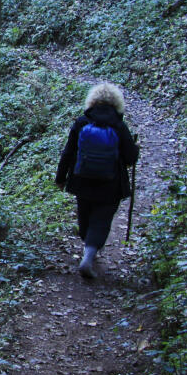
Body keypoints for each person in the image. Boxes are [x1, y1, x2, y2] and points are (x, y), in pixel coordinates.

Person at [55, 82, 139, 279]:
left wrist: (61, 178)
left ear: (91, 101)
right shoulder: (119, 125)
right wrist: (135, 148)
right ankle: (89, 254)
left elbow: (68, 152)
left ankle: (88, 249)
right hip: (110, 184)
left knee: (85, 217)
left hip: (81, 180)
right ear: (117, 103)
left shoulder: (82, 122)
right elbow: (130, 158)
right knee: (101, 220)